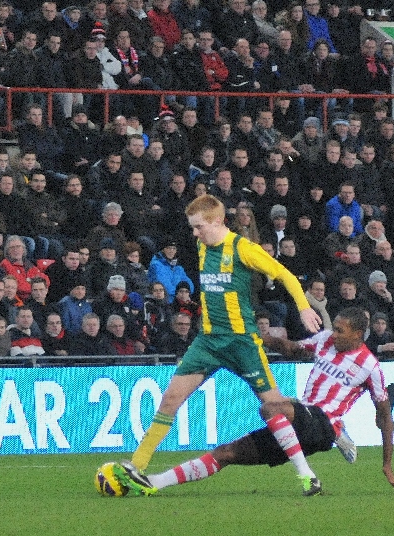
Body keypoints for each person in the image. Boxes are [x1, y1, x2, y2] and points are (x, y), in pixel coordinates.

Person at [124, 194, 324, 495]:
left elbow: (284, 274)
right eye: (192, 228)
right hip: (207, 342)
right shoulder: (204, 246)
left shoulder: (243, 249)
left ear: (217, 222)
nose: (194, 233)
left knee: (275, 406)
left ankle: (306, 474)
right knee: (169, 400)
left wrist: (304, 307)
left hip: (242, 343)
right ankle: (136, 466)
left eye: (198, 227)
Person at [115, 307, 394, 496]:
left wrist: (387, 463)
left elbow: (384, 416)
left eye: (341, 330)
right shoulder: (326, 340)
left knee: (270, 407)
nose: (334, 333)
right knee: (226, 453)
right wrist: (259, 339)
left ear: (357, 334)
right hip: (296, 427)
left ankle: (309, 475)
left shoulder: (371, 367)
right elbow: (292, 348)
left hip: (323, 424)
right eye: (335, 328)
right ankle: (152, 484)